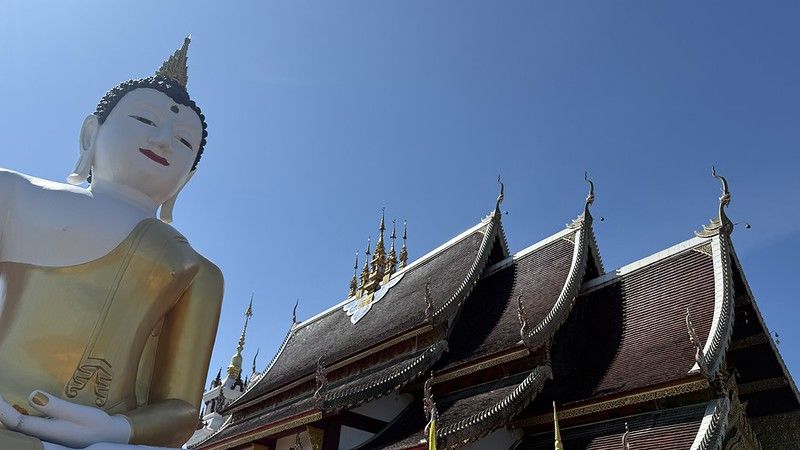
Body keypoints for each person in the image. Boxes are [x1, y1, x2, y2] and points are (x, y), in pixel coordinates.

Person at [0, 37, 223, 450]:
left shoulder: (194, 269)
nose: (163, 140)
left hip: (102, 438)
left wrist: (115, 430)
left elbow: (180, 410)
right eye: (145, 119)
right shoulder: (10, 193)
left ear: (186, 179)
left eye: (184, 142)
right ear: (91, 134)